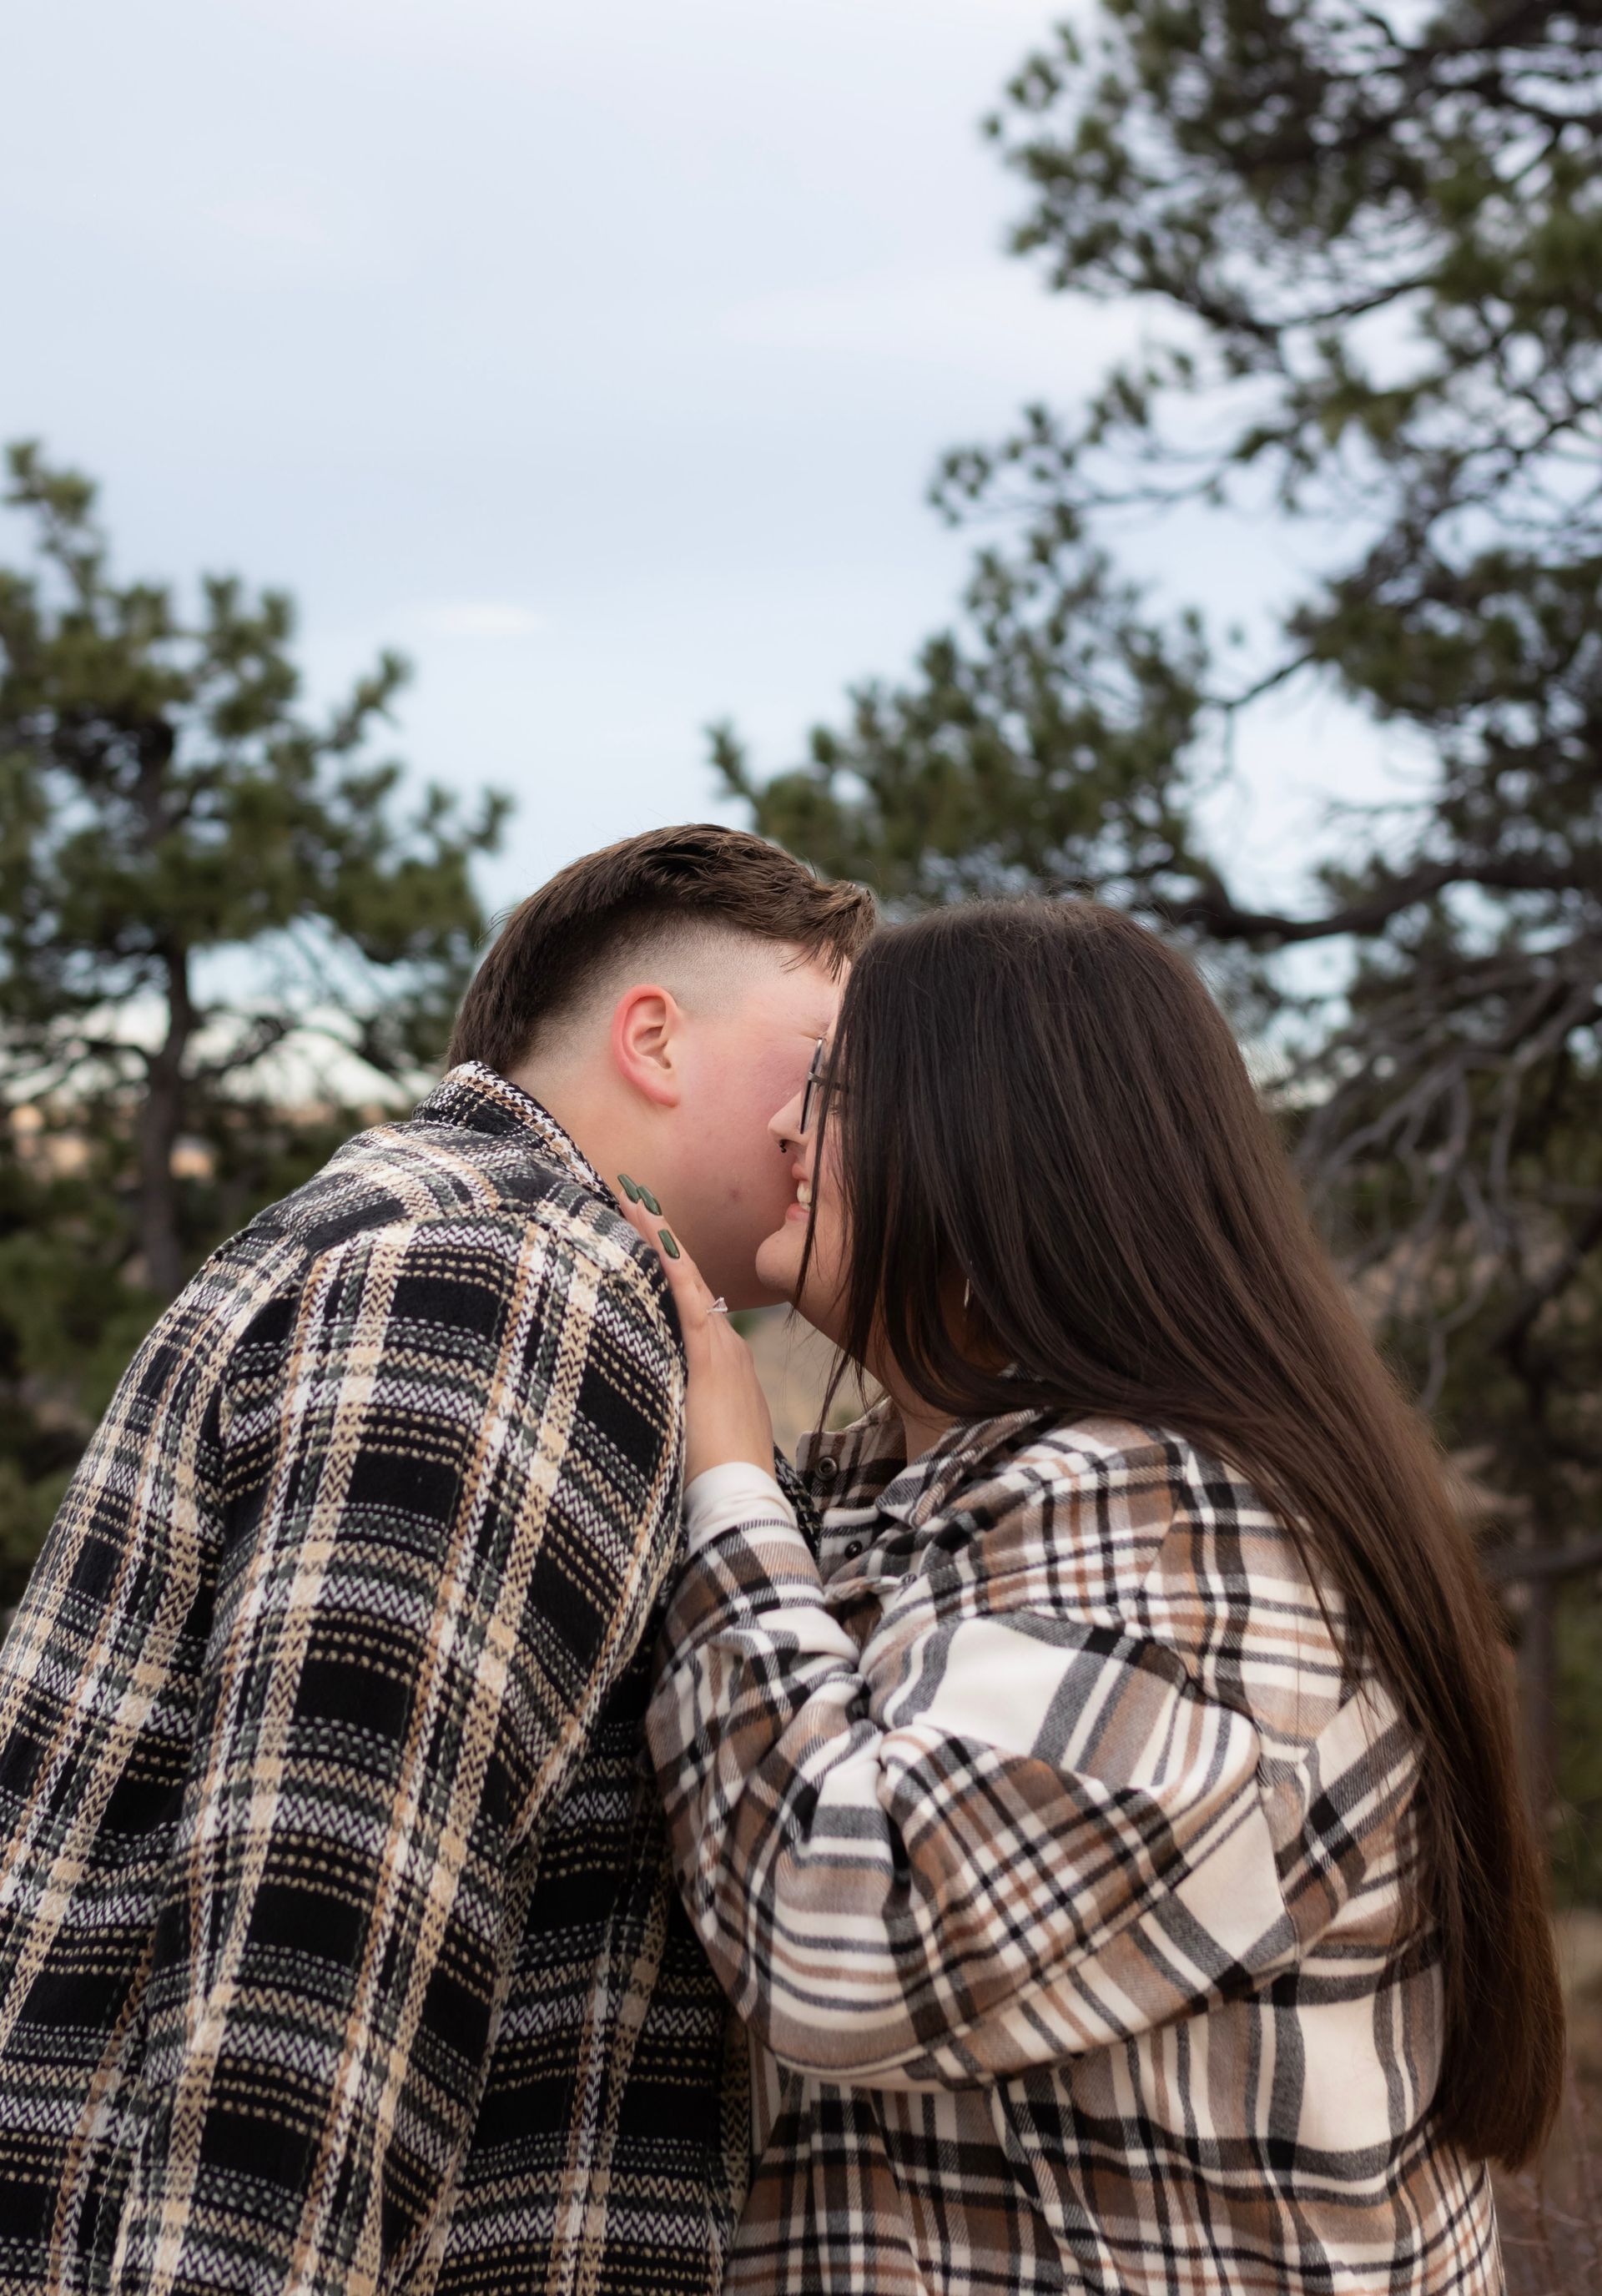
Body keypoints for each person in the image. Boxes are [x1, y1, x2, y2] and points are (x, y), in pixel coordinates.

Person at [622, 897, 1564, 2296]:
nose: (784, 1131)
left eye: (839, 1088)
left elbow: (844, 1939)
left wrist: (730, 1495)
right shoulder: (954, 1500)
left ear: (1002, 1142)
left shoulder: (1182, 1525)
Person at [0, 824, 873, 2296]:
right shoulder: (511, 1277)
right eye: (824, 1064)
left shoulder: (400, 1229)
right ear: (653, 1038)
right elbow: (318, 1940)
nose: (841, 1124)